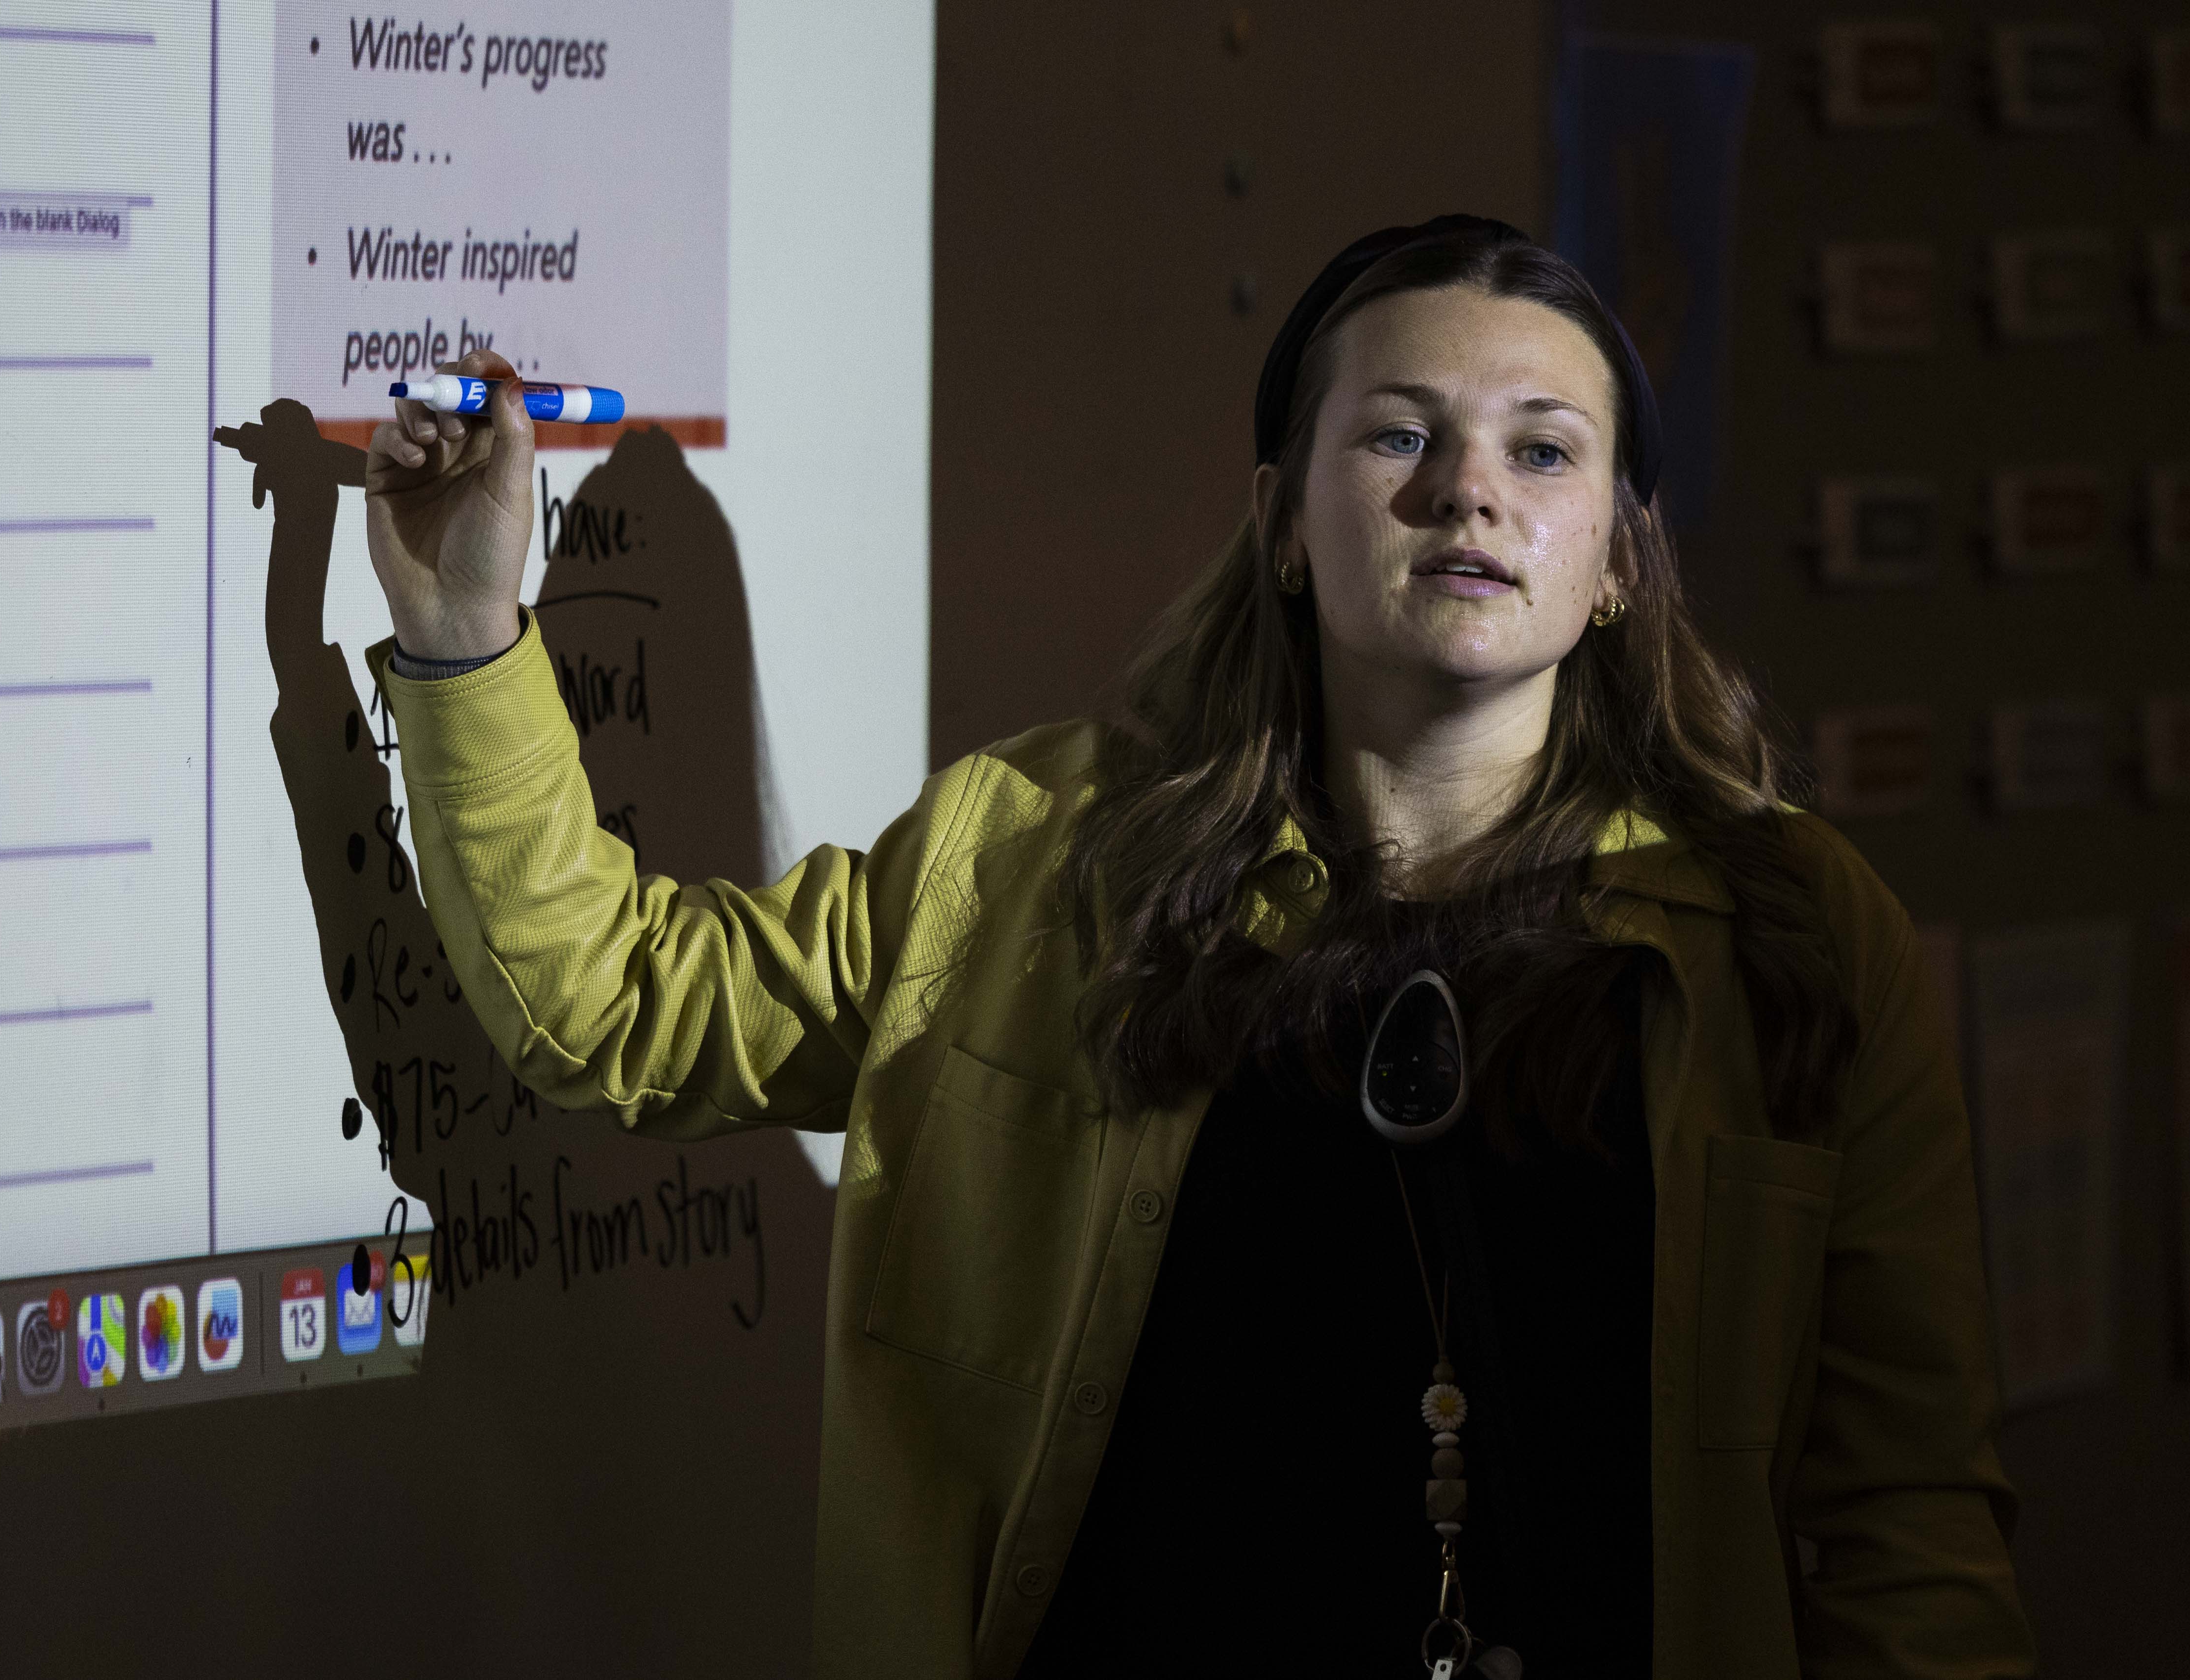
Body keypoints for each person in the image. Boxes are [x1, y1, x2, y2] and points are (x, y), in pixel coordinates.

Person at [362, 216, 2035, 1679]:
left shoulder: (1791, 936)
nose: (1468, 488)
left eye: (1543, 452)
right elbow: (615, 1008)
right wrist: (460, 637)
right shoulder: (1031, 858)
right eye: (1398, 436)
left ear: (1614, 556)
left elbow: (1903, 1520)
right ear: (1286, 523)